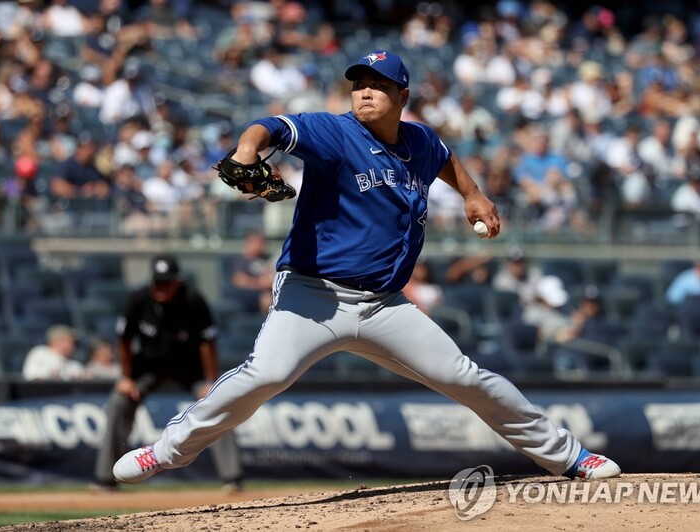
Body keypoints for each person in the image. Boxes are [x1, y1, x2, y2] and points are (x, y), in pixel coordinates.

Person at [113, 50, 620, 485]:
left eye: (378, 85)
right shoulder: (335, 134)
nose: (365, 93)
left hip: (383, 306)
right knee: (266, 374)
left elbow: (444, 156)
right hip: (312, 297)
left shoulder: (419, 141)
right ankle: (166, 451)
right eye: (359, 85)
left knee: (467, 378)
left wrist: (472, 193)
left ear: (402, 95)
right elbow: (272, 127)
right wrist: (248, 150)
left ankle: (570, 457)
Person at [94, 254, 244, 491]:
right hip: (148, 369)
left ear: (178, 281)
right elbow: (123, 339)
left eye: (167, 282)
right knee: (118, 402)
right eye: (158, 282)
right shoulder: (138, 299)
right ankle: (106, 478)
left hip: (189, 369)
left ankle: (232, 477)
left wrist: (209, 381)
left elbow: (208, 343)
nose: (161, 288)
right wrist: (126, 377)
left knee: (218, 401)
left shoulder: (193, 300)